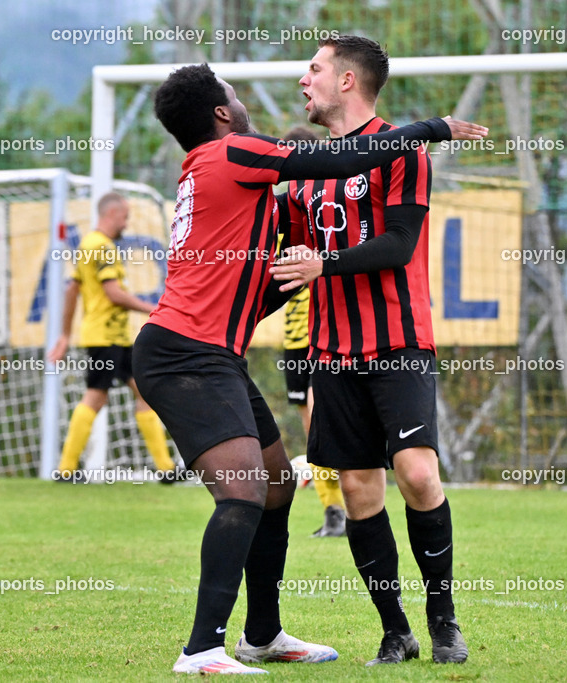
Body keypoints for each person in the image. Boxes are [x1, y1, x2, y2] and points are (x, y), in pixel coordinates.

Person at [133, 63, 486, 674]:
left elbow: (263, 280)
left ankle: (263, 635)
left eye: (316, 69)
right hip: (185, 352)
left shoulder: (219, 176)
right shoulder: (235, 154)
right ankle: (202, 650)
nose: (245, 103)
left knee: (273, 489)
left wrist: (307, 269)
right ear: (221, 115)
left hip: (217, 352)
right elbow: (346, 161)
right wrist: (435, 127)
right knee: (244, 492)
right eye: (235, 96)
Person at [272, 35, 472, 665]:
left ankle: (444, 624)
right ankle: (396, 631)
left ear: (348, 81)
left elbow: (399, 244)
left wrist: (322, 262)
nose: (303, 82)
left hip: (397, 342)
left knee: (416, 474)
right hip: (330, 351)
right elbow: (292, 265)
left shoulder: (402, 153)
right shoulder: (306, 174)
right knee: (359, 492)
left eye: (314, 69)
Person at [47, 192, 177, 482]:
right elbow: (113, 294)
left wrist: (66, 334)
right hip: (106, 338)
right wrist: (153, 309)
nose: (126, 223)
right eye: (124, 216)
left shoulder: (88, 245)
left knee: (142, 392)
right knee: (95, 396)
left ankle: (166, 469)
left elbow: (72, 290)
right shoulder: (102, 247)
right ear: (110, 214)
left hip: (115, 337)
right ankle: (66, 469)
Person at [278, 126, 346, 538]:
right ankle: (333, 511)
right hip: (294, 340)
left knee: (326, 424)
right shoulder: (282, 211)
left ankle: (352, 509)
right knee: (313, 429)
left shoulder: (328, 210)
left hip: (325, 335)